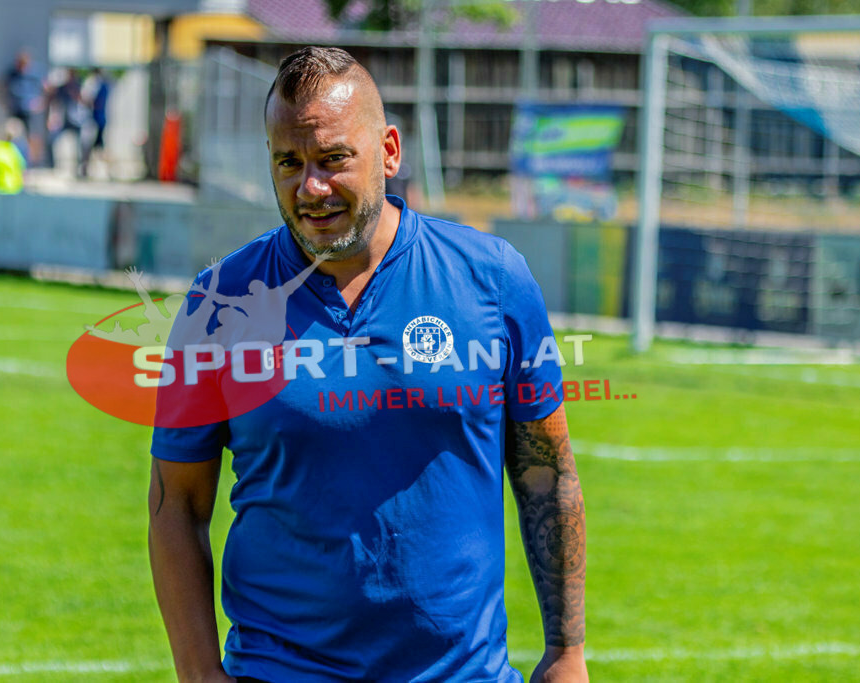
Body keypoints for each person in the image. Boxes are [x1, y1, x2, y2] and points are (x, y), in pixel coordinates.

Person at [148, 46, 588, 683]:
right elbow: (175, 504)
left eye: (332, 160)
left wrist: (567, 651)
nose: (311, 187)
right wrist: (197, 672)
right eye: (288, 163)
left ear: (388, 150)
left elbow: (547, 472)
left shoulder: (491, 280)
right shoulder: (219, 304)